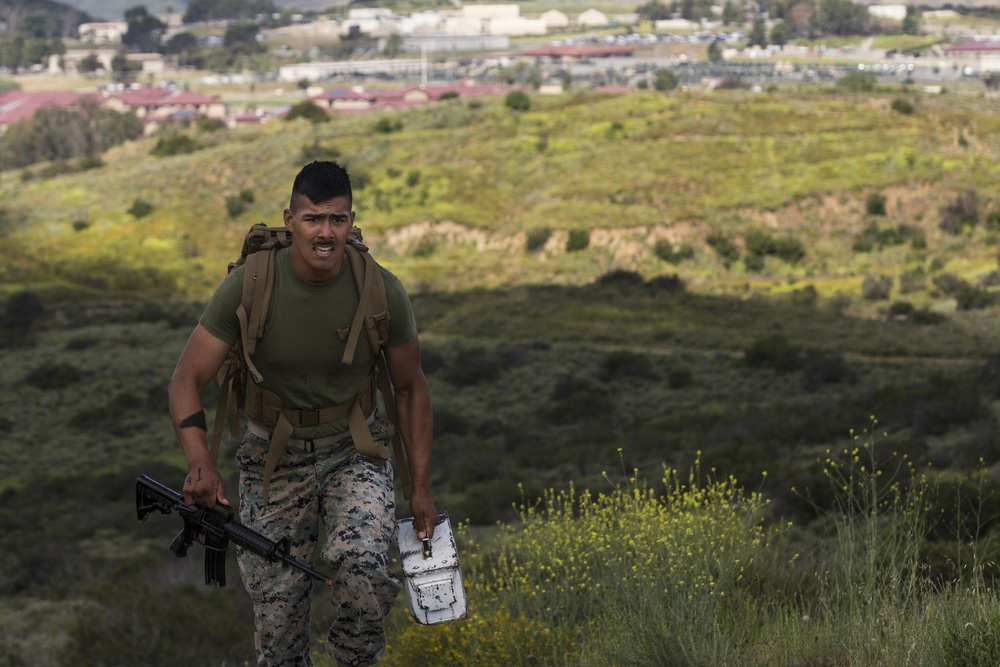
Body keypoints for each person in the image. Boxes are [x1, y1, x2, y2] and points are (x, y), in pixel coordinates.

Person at [167, 160, 437, 667]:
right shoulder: (249, 285)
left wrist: (419, 486)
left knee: (364, 567)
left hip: (352, 452)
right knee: (279, 623)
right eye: (313, 219)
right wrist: (199, 461)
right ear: (289, 219)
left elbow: (410, 387)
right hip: (273, 459)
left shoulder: (380, 289)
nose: (326, 233)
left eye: (337, 220)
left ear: (351, 222)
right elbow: (186, 378)